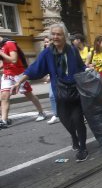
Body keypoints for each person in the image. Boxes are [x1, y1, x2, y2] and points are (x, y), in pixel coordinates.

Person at [11, 23, 89, 162]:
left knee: (78, 120)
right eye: (53, 34)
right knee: (66, 120)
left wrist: (88, 74)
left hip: (75, 91)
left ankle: (83, 148)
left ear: (64, 36)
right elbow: (34, 68)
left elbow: (81, 67)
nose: (55, 37)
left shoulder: (72, 50)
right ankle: (74, 137)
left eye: (58, 34)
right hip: (59, 91)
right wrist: (19, 82)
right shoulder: (47, 53)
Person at [0, 36, 47, 129]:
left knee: (29, 95)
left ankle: (41, 112)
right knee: (4, 96)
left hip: (18, 75)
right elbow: (3, 63)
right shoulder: (1, 46)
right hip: (7, 74)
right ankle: (4, 120)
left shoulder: (9, 43)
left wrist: (1, 53)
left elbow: (14, 60)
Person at [43, 36, 60, 124]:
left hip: (62, 77)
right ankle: (56, 114)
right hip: (54, 78)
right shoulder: (45, 53)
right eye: (45, 42)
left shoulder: (57, 51)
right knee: (52, 96)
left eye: (48, 41)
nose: (46, 43)